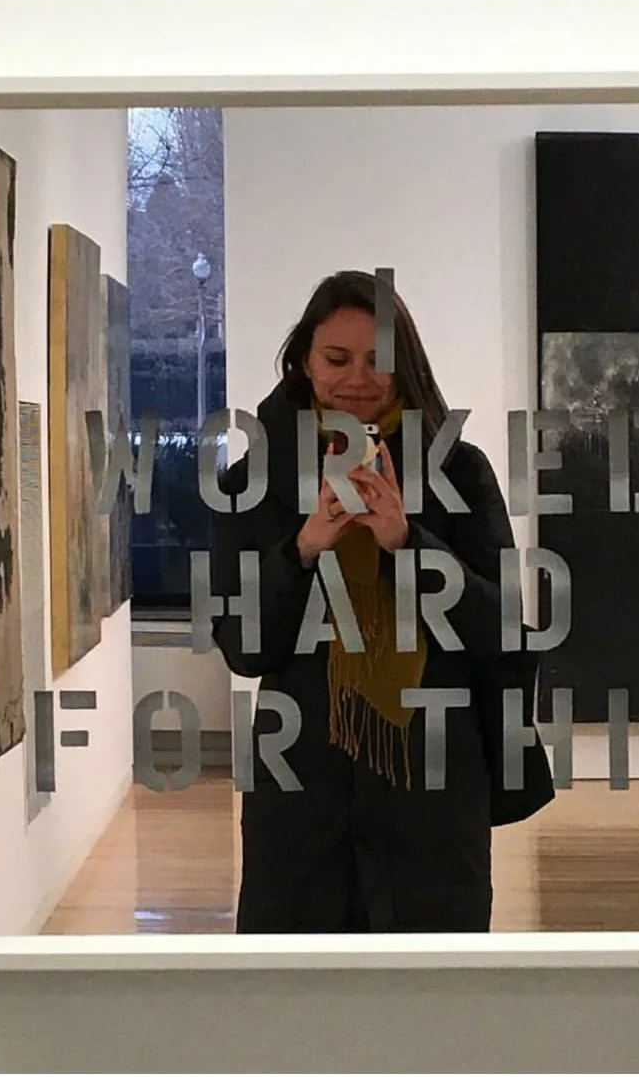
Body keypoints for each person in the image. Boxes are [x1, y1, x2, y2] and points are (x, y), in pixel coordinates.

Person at [210, 270, 552, 934]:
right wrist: (304, 546)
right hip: (302, 783)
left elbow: (501, 627)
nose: (358, 379)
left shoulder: (459, 471)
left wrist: (406, 540)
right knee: (296, 980)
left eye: (378, 360)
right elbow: (245, 648)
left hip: (430, 781)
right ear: (304, 363)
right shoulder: (253, 482)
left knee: (433, 980)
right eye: (337, 359)